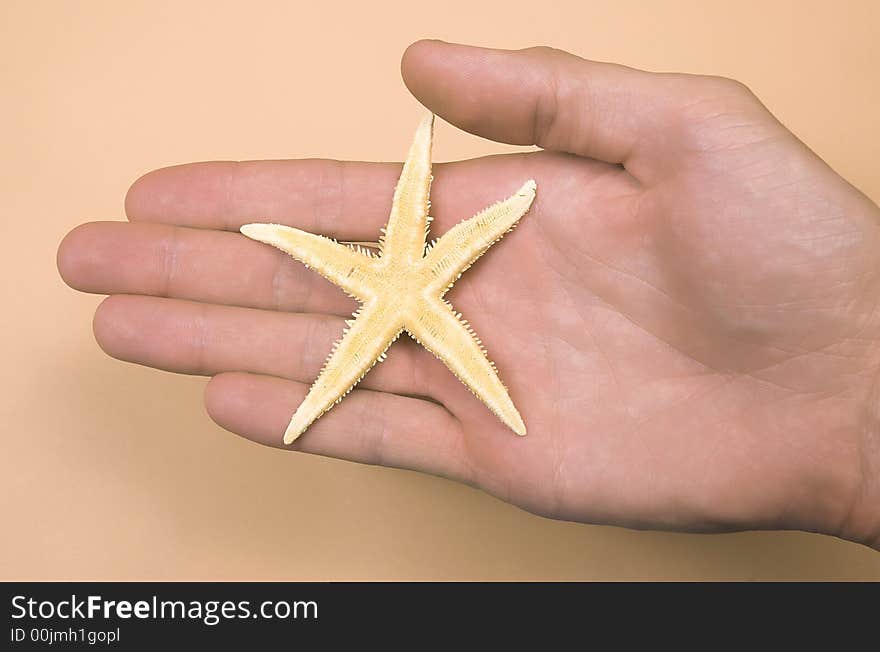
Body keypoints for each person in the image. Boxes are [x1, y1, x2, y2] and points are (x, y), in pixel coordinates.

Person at [57, 40, 879, 549]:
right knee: (324, 337)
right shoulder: (390, 279)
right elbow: (345, 244)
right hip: (396, 294)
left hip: (403, 292)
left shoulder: (429, 265)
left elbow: (465, 227)